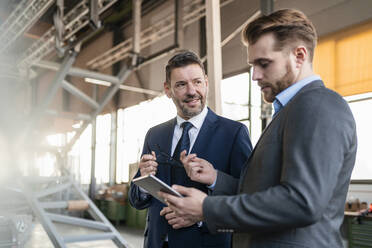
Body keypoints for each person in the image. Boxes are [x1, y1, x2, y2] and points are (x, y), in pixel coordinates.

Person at [159, 9, 357, 248]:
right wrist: (216, 179)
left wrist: (206, 208)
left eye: (264, 64)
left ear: (299, 56)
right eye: (253, 65)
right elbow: (264, 192)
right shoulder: (288, 111)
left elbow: (302, 202)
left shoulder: (318, 105)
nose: (255, 75)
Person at [128, 50, 253, 248]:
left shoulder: (234, 133)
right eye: (181, 84)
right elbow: (137, 201)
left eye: (197, 82)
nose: (192, 91)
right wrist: (142, 178)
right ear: (168, 90)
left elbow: (248, 198)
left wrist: (202, 215)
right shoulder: (155, 134)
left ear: (206, 83)